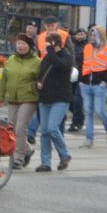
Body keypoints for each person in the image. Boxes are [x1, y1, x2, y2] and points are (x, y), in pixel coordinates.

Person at [0, 33, 41, 169]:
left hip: (29, 98)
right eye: (18, 43)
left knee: (20, 128)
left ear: (30, 46)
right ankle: (28, 149)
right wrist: (0, 96)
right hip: (13, 99)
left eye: (23, 44)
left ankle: (18, 159)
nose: (20, 46)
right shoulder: (11, 59)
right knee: (11, 129)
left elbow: (42, 79)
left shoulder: (37, 62)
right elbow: (4, 79)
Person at [35, 32, 73, 172]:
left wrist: (51, 50)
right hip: (45, 97)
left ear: (54, 43)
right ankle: (45, 162)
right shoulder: (47, 57)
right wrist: (38, 83)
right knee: (44, 131)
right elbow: (41, 73)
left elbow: (59, 65)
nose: (45, 47)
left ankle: (65, 154)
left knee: (52, 128)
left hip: (60, 98)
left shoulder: (66, 56)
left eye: (47, 43)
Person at [80, 25, 107, 148]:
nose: (93, 37)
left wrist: (105, 82)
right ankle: (89, 139)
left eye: (95, 35)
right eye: (91, 34)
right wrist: (81, 80)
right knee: (88, 111)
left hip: (99, 85)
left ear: (101, 35)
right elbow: (82, 63)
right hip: (86, 84)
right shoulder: (87, 47)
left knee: (99, 110)